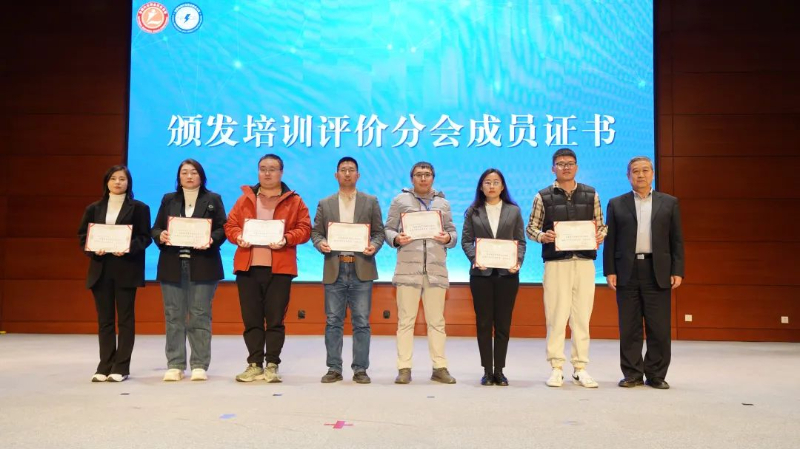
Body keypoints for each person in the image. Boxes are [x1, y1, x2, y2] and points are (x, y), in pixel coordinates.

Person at [225, 154, 311, 383]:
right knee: (251, 318)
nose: (267, 173)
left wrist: (286, 238)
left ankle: (272, 363)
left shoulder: (295, 201)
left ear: (281, 172)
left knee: (275, 319)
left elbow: (305, 229)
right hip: (248, 267)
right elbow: (230, 225)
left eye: (272, 169)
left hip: (280, 269)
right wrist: (238, 236)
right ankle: (254, 364)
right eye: (263, 168)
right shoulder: (245, 199)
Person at [526, 148, 606, 388]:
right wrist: (543, 236)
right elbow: (531, 228)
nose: (566, 167)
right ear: (553, 168)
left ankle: (580, 368)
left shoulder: (591, 194)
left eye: (570, 163)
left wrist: (599, 235)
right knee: (556, 316)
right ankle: (556, 367)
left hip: (584, 263)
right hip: (556, 263)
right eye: (560, 164)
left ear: (577, 167)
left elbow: (602, 225)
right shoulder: (543, 196)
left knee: (582, 317)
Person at [604, 156, 684, 390]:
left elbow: (676, 240)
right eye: (635, 171)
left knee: (659, 327)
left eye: (645, 170)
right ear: (628, 176)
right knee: (629, 326)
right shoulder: (616, 203)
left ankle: (656, 374)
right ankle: (632, 374)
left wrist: (677, 270)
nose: (641, 175)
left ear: (653, 174)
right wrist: (610, 270)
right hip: (627, 270)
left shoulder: (669, 203)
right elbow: (611, 240)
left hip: (657, 269)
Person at [151, 159, 227, 382]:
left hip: (203, 264)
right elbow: (156, 228)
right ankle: (175, 364)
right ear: (179, 177)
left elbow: (223, 228)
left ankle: (199, 365)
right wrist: (161, 235)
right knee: (173, 315)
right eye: (184, 172)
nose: (189, 176)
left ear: (201, 176)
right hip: (172, 264)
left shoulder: (213, 199)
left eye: (194, 172)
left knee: (200, 315)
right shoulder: (169, 199)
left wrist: (211, 239)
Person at [311, 156, 385, 384]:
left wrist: (374, 246)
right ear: (336, 175)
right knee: (333, 321)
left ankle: (360, 369)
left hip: (361, 267)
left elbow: (379, 233)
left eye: (351, 170)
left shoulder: (370, 201)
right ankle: (334, 368)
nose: (347, 173)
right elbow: (316, 233)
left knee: (361, 321)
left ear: (358, 175)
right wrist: (321, 244)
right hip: (335, 266)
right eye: (343, 170)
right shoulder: (325, 203)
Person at [384, 161, 458, 384]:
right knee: (406, 321)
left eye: (427, 174)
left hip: (435, 270)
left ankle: (439, 367)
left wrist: (448, 238)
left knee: (437, 322)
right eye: (418, 174)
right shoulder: (400, 200)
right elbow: (388, 229)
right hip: (408, 270)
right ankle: (404, 368)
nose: (423, 178)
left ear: (433, 177)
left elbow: (452, 232)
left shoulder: (443, 203)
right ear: (412, 178)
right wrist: (396, 238)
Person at [77, 165, 152, 382]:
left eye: (122, 179)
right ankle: (104, 365)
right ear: (107, 182)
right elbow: (83, 236)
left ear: (129, 183)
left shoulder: (139, 208)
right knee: (105, 321)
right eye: (113, 178)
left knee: (126, 320)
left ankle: (121, 367)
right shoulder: (94, 208)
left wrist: (128, 247)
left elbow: (144, 238)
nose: (117, 182)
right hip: (101, 269)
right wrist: (93, 249)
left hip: (126, 268)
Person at [461, 168, 526, 386]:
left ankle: (500, 370)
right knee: (483, 323)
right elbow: (466, 241)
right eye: (487, 182)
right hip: (481, 275)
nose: (491, 186)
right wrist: (475, 258)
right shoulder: (473, 211)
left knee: (503, 324)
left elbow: (520, 241)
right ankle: (487, 371)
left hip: (508, 275)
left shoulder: (513, 211)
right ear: (481, 187)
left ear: (502, 186)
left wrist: (517, 262)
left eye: (496, 182)